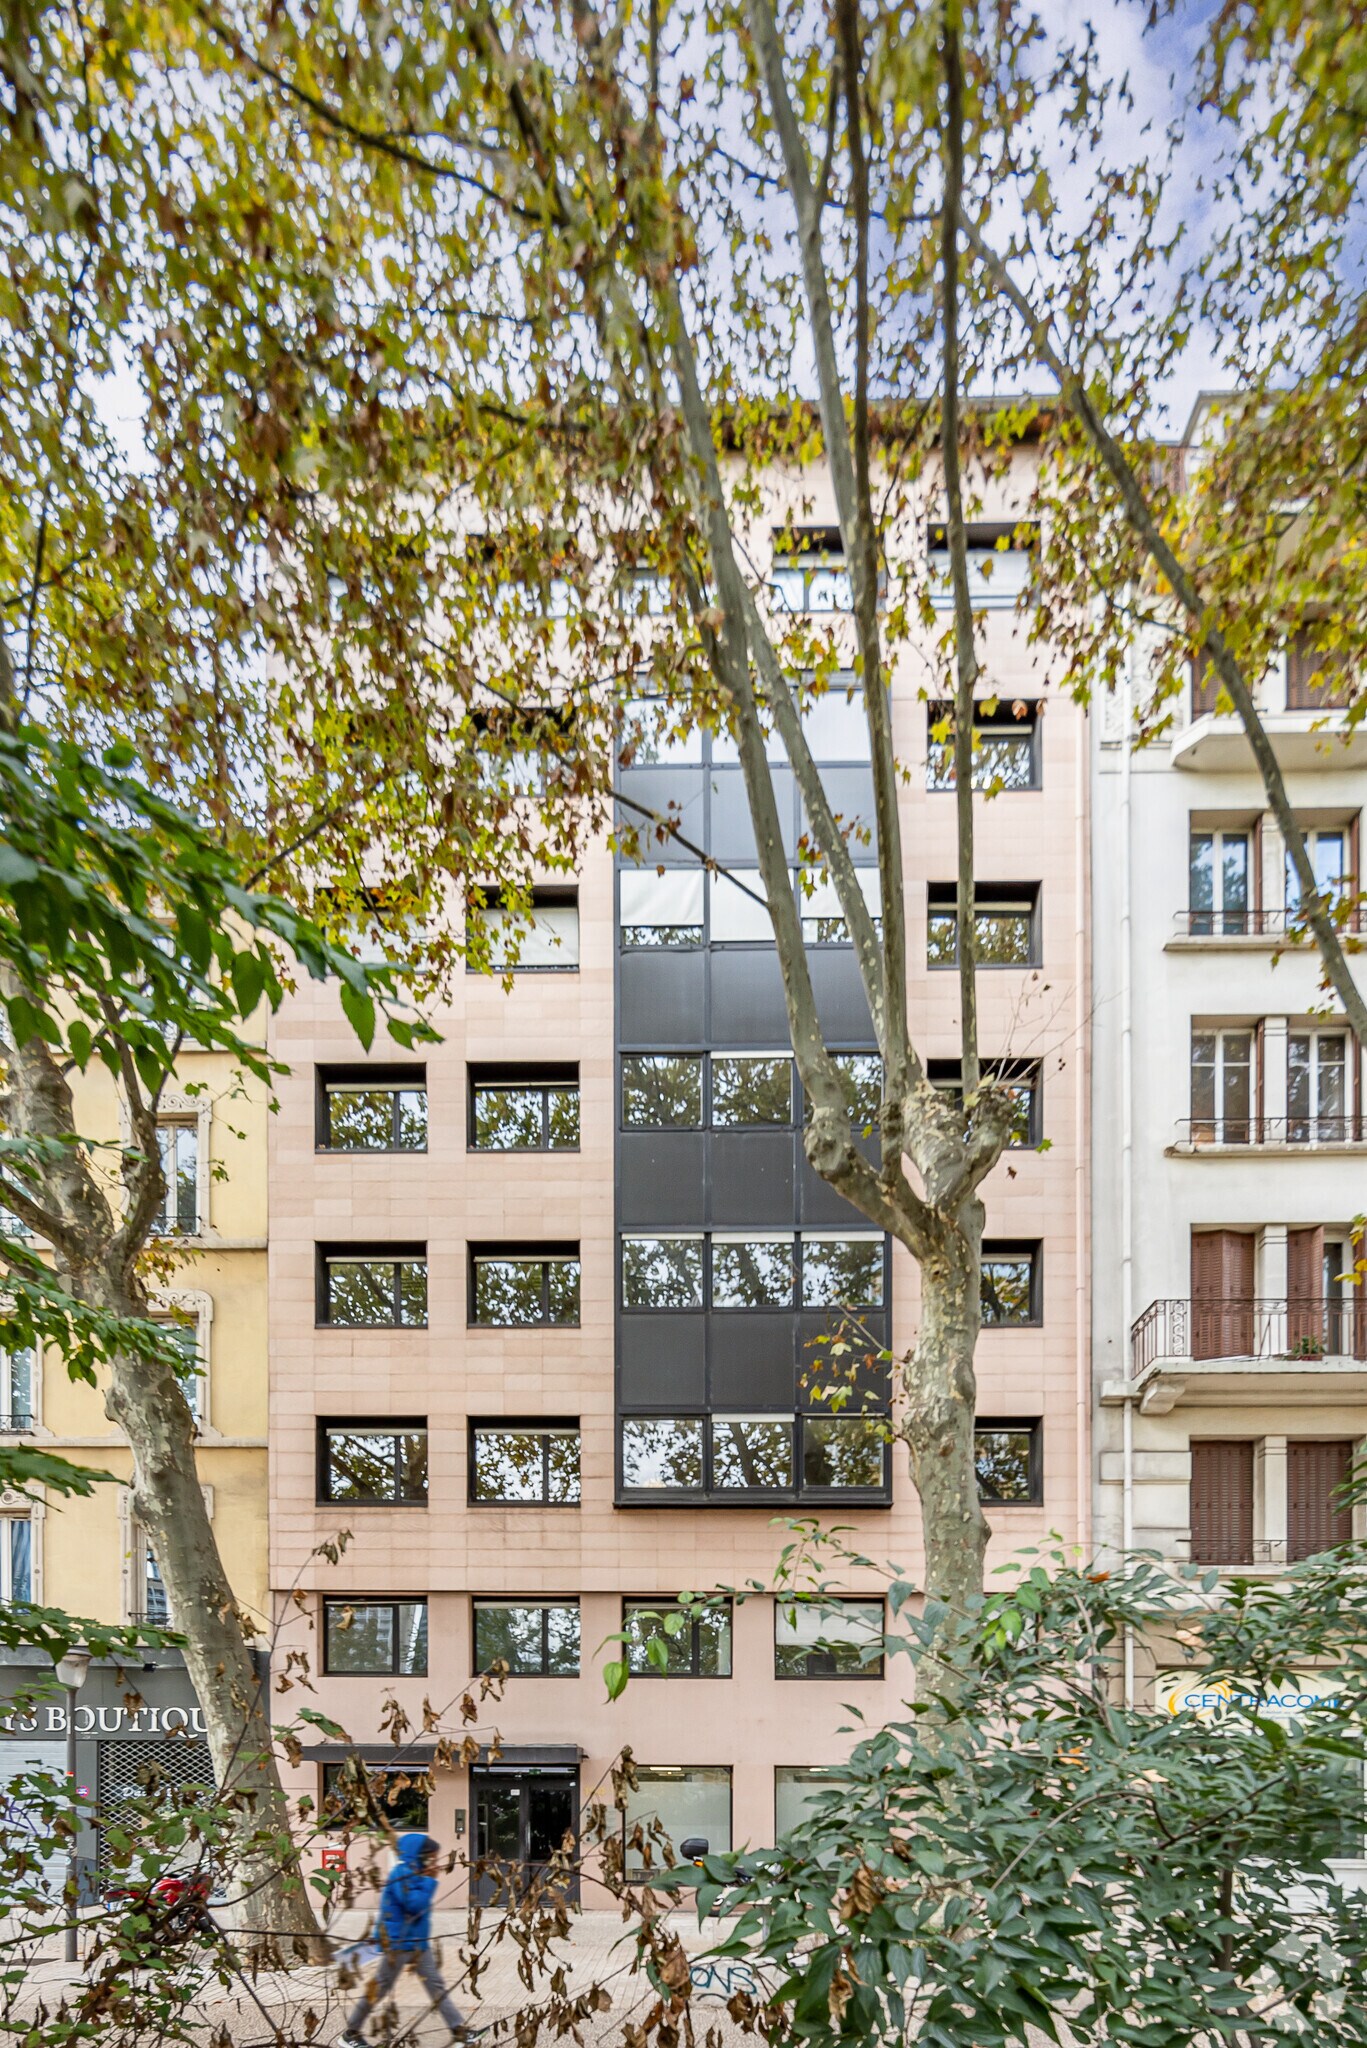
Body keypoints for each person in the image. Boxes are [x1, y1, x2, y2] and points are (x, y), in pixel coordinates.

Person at [338, 1833, 471, 2046]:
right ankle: (350, 2033)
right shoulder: (401, 1874)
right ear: (420, 1856)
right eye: (432, 1858)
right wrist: (430, 1880)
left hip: (417, 1944)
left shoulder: (415, 1873)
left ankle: (460, 2032)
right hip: (398, 1944)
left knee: (436, 1985)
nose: (435, 1863)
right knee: (379, 1988)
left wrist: (426, 1877)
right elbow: (414, 1906)